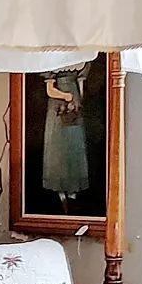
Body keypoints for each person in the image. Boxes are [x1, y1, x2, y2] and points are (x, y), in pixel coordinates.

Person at [40, 64, 90, 212]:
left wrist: (77, 102)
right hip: (58, 108)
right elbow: (50, 90)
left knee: (74, 145)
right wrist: (66, 96)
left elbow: (80, 85)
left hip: (74, 109)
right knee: (58, 147)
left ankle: (73, 191)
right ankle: (60, 191)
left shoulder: (82, 63)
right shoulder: (51, 64)